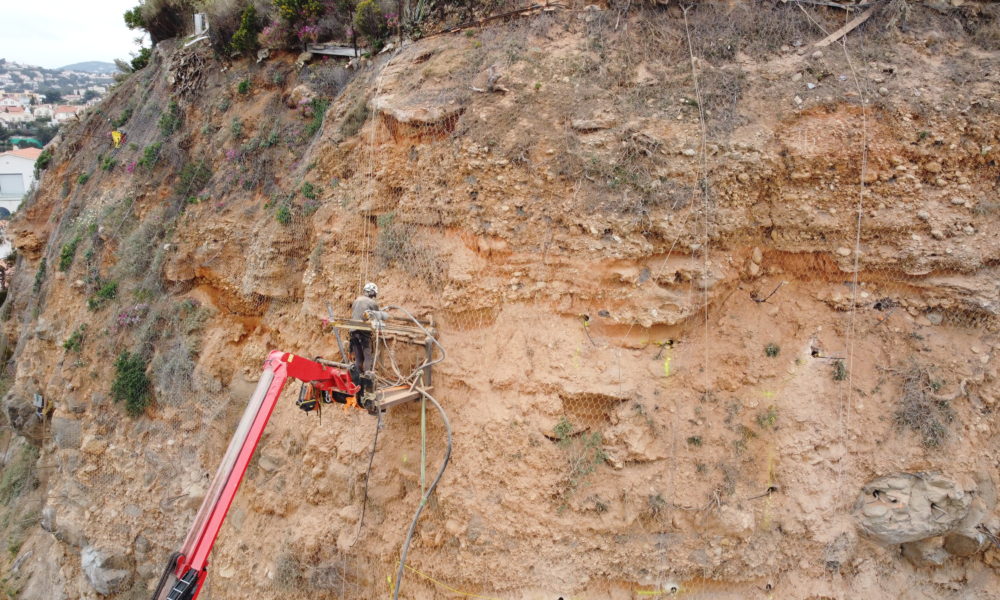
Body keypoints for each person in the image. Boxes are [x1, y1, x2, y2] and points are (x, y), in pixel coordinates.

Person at [350, 282, 380, 392]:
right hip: (363, 331)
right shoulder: (372, 302)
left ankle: (356, 381)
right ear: (372, 292)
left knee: (358, 357)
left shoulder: (356, 300)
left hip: (353, 331)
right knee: (368, 355)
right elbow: (378, 316)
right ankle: (368, 380)